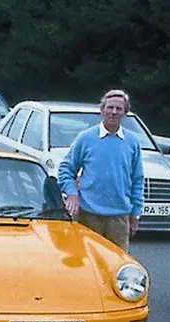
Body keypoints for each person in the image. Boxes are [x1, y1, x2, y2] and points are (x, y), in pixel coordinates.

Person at [56, 89, 145, 251]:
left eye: (119, 109)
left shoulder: (132, 142)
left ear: (125, 112)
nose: (113, 112)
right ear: (102, 110)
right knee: (87, 262)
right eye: (110, 107)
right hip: (88, 215)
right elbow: (66, 169)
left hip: (119, 218)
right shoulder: (86, 138)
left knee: (117, 266)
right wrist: (72, 194)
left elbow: (138, 179)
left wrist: (136, 213)